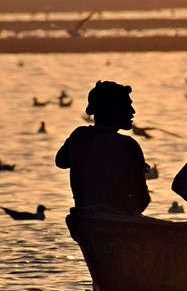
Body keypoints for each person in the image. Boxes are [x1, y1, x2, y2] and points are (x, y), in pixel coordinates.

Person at [55, 81, 150, 214]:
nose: (132, 111)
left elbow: (61, 162)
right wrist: (139, 171)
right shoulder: (128, 146)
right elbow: (142, 200)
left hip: (84, 216)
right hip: (117, 220)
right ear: (111, 109)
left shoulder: (78, 136)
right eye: (126, 106)